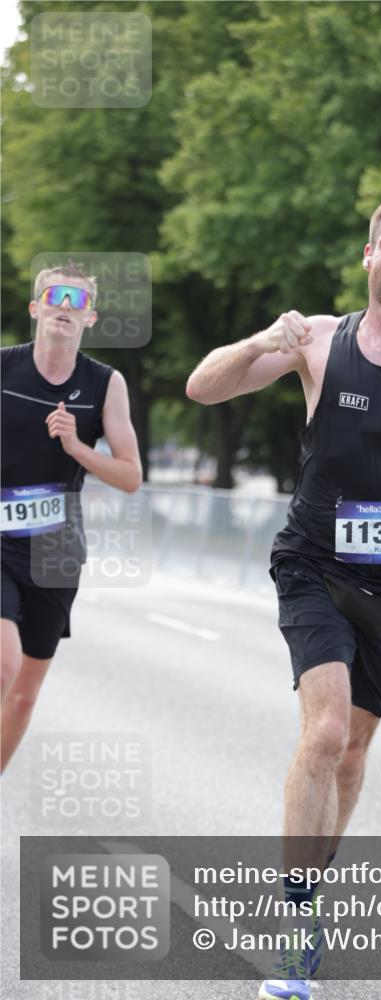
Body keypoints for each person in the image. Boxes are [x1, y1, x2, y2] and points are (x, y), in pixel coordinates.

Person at [186, 196, 381, 1000]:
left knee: (354, 751)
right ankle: (296, 922)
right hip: (313, 564)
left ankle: (311, 890)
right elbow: (200, 388)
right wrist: (264, 340)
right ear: (367, 255)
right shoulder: (319, 340)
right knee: (324, 731)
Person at [1, 262, 142, 772]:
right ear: (35, 307)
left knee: (23, 695)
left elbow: (129, 476)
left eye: (77, 301)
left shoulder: (105, 383)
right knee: (4, 665)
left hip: (56, 551)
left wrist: (75, 444)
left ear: (90, 318)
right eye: (55, 296)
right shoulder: (4, 367)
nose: (65, 306)